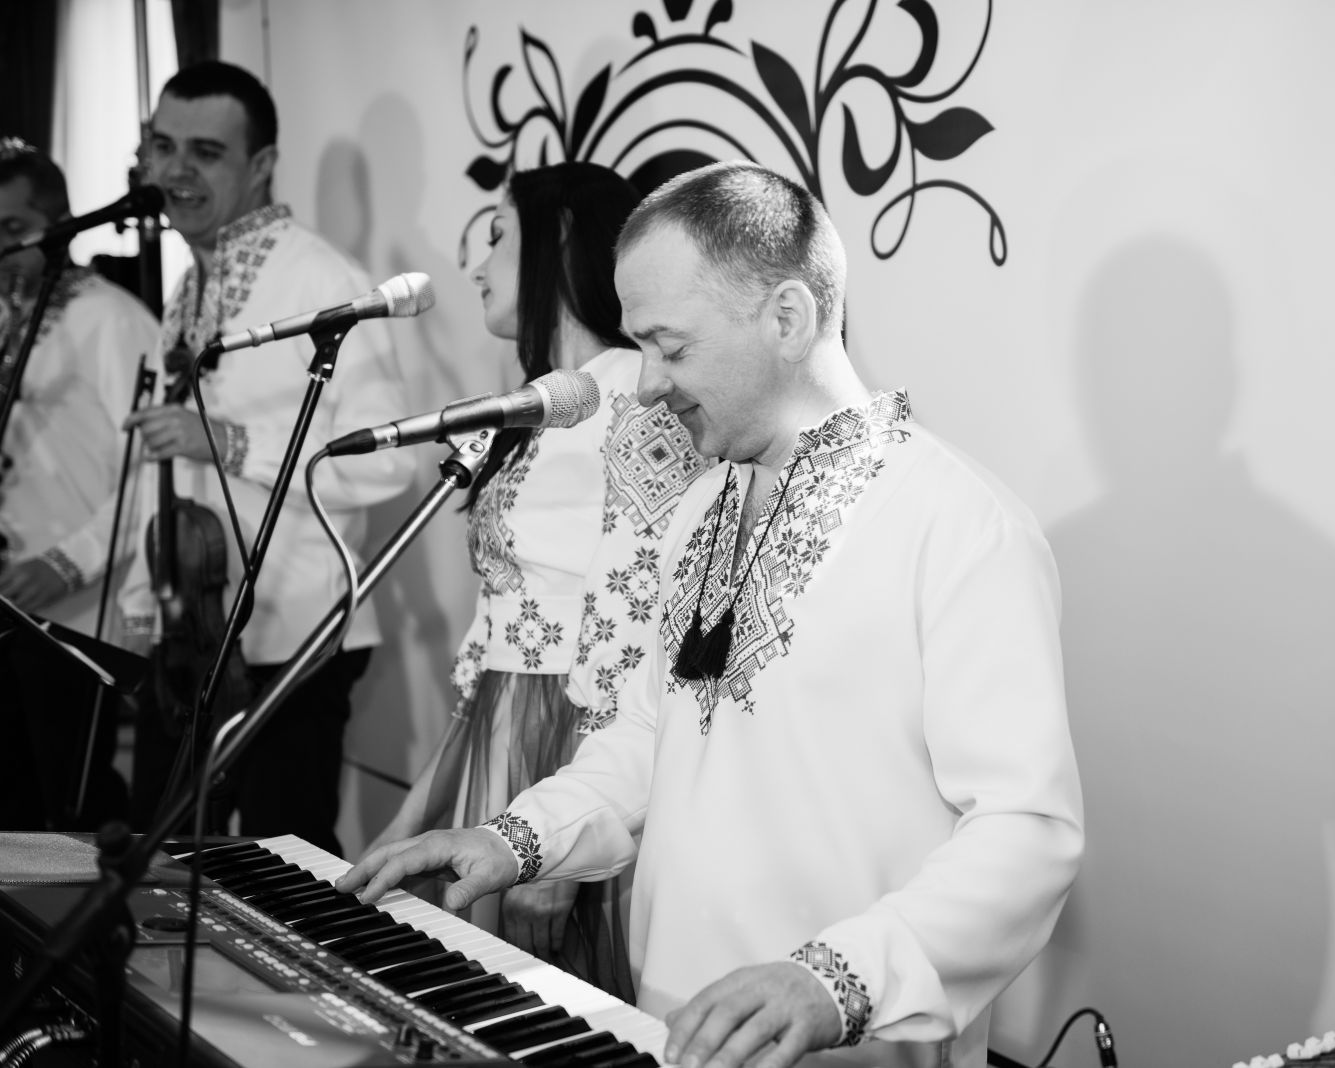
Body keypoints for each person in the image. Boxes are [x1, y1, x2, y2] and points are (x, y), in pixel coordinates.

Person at [341, 161, 1084, 1068]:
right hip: (671, 1023)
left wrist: (837, 979)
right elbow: (646, 738)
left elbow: (1026, 831)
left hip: (851, 1036)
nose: (647, 383)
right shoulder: (704, 505)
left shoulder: (960, 523)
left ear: (788, 319)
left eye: (672, 347)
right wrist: (516, 839)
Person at [361, 162, 705, 999]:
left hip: (573, 734)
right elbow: (497, 622)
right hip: (500, 723)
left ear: (558, 236)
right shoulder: (537, 404)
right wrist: (421, 803)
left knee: (546, 1000)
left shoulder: (635, 394)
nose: (476, 265)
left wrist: (561, 842)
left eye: (498, 236)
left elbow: (641, 613)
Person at [118, 62, 414, 856]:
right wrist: (144, 596)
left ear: (261, 165)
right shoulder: (188, 287)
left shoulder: (323, 279)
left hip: (296, 639)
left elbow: (391, 462)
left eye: (206, 152)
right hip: (194, 634)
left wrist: (231, 443)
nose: (176, 170)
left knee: (282, 866)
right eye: (162, 146)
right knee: (161, 857)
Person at [0, 138, 162, 829]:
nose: (1, 248)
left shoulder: (114, 321)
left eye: (13, 228)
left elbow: (155, 472)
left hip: (83, 606)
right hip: (13, 598)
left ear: (60, 223)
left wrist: (66, 562)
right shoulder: (9, 315)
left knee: (74, 809)